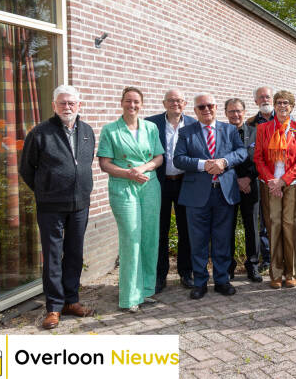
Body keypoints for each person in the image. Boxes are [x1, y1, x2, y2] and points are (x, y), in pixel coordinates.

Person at [19, 85, 96, 329]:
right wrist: (46, 190)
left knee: (74, 253)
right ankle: (53, 307)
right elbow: (26, 169)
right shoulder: (40, 133)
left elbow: (85, 162)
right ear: (54, 105)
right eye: (62, 103)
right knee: (53, 256)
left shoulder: (87, 131)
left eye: (72, 103)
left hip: (80, 204)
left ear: (79, 105)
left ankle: (70, 301)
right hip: (51, 206)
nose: (67, 107)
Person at [173, 92, 247, 299]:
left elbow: (241, 152)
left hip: (224, 193)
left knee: (222, 239)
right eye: (201, 107)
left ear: (216, 108)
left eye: (210, 106)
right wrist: (202, 165)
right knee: (198, 241)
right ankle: (200, 282)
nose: (206, 110)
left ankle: (222, 280)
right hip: (196, 195)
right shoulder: (187, 132)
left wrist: (224, 162)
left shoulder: (230, 129)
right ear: (195, 110)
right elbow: (178, 159)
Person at [97, 86, 164, 312]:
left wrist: (141, 169)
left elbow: (158, 157)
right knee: (131, 239)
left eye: (136, 101)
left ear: (141, 104)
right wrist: (128, 173)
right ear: (122, 102)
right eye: (128, 101)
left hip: (149, 186)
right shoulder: (110, 130)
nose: (132, 105)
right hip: (123, 187)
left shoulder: (151, 127)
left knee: (149, 238)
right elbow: (104, 163)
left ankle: (145, 290)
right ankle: (129, 297)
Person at [248, 86, 296, 271]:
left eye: (286, 103)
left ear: (292, 107)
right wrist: (271, 180)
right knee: (273, 225)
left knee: (292, 226)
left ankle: (291, 271)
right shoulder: (263, 128)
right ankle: (276, 272)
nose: (282, 106)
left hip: (293, 183)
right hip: (269, 184)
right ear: (274, 106)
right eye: (279, 102)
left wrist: (283, 181)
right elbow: (258, 158)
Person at [147, 89, 197, 293]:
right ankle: (160, 275)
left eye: (179, 101)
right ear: (164, 103)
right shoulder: (151, 124)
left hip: (186, 182)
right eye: (171, 101)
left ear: (184, 104)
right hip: (160, 183)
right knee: (160, 230)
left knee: (187, 230)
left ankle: (186, 272)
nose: (175, 104)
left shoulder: (194, 124)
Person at [225, 98, 263, 282]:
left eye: (238, 111)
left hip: (251, 187)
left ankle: (253, 265)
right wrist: (237, 180)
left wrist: (248, 178)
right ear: (226, 113)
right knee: (227, 228)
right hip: (228, 187)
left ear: (244, 111)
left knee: (252, 228)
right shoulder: (221, 133)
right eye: (231, 111)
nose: (235, 114)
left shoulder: (256, 133)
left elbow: (260, 159)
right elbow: (220, 158)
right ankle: (228, 267)